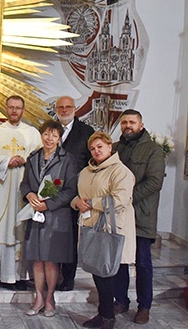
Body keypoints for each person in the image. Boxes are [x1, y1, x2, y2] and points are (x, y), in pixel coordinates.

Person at [72, 131, 136, 329]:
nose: (96, 151)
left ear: (110, 147)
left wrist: (92, 203)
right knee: (97, 273)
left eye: (100, 146)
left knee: (106, 273)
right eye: (92, 148)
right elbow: (78, 195)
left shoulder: (120, 171)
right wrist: (77, 203)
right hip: (91, 227)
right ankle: (104, 314)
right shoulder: (86, 172)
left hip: (111, 229)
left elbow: (120, 199)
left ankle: (108, 316)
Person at [20, 120, 79, 317]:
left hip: (56, 216)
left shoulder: (67, 159)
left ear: (59, 138)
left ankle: (50, 299)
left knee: (51, 260)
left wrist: (49, 204)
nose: (49, 138)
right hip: (35, 215)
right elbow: (25, 184)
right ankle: (38, 298)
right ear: (41, 135)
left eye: (54, 135)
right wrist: (28, 194)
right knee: (37, 260)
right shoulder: (33, 157)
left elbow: (71, 189)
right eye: (46, 134)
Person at [113, 109, 165, 324]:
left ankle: (144, 306)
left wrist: (127, 197)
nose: (128, 126)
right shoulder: (115, 148)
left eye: (132, 122)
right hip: (119, 216)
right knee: (119, 261)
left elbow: (155, 182)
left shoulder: (153, 150)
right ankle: (121, 300)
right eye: (124, 122)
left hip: (141, 215)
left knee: (142, 263)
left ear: (141, 125)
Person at [0, 95, 41, 289]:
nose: (14, 111)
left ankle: (20, 275)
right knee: (1, 225)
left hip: (24, 188)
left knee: (21, 228)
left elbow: (40, 156)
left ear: (23, 110)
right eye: (11, 107)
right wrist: (7, 161)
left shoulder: (33, 133)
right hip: (1, 186)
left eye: (18, 107)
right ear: (5, 109)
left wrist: (24, 159)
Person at [55, 95, 94, 292]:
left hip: (73, 195)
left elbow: (91, 164)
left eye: (68, 107)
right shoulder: (48, 129)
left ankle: (68, 278)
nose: (64, 110)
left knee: (70, 238)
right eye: (60, 107)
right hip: (51, 192)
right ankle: (52, 275)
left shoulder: (86, 132)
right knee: (52, 236)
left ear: (75, 108)